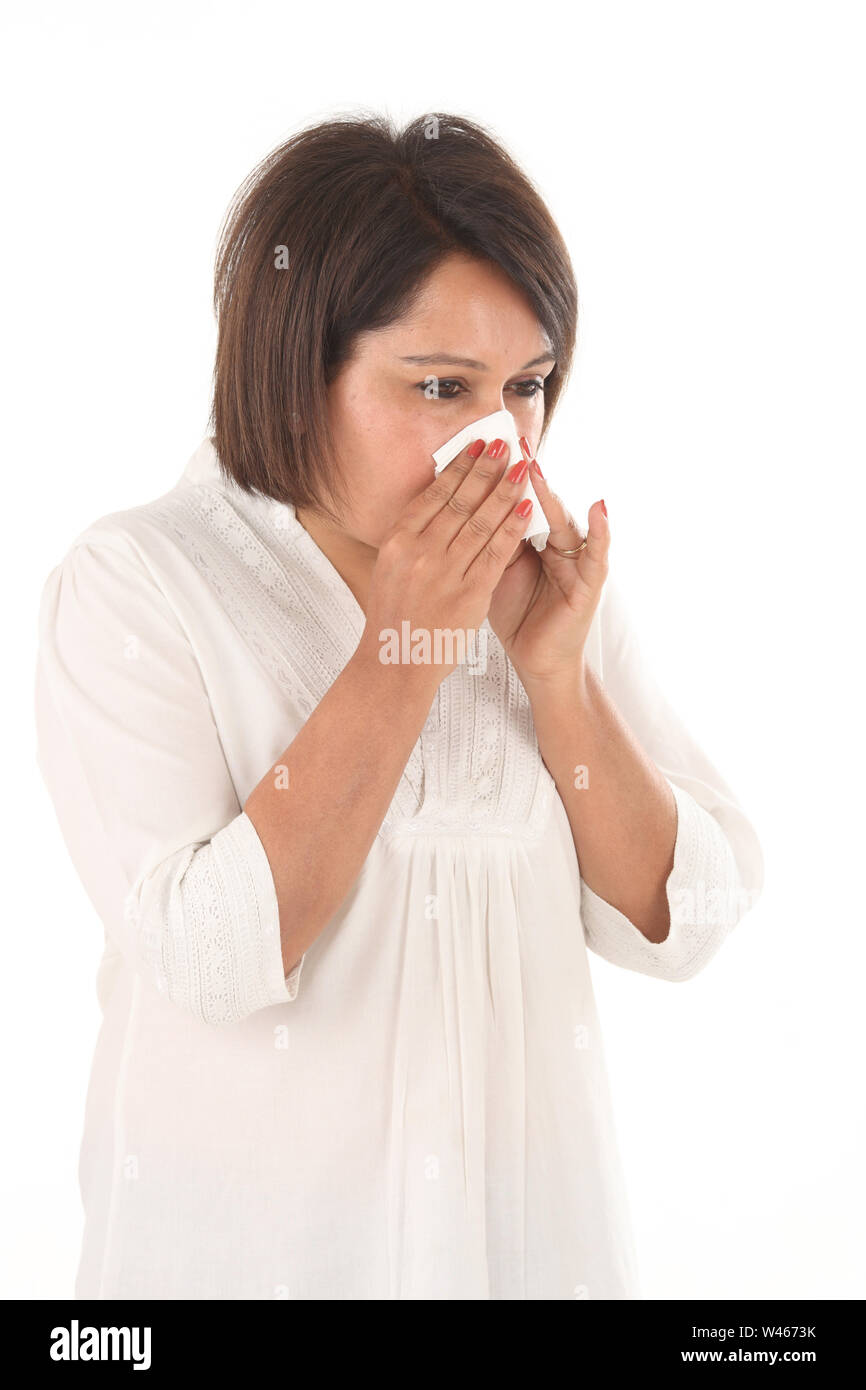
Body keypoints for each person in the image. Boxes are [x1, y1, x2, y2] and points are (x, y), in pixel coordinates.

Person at [34, 111, 764, 1300]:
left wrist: (556, 683)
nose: (501, 440)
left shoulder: (541, 581)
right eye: (439, 386)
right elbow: (211, 960)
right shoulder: (141, 585)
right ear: (295, 367)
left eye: (526, 386)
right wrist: (404, 644)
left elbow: (685, 918)